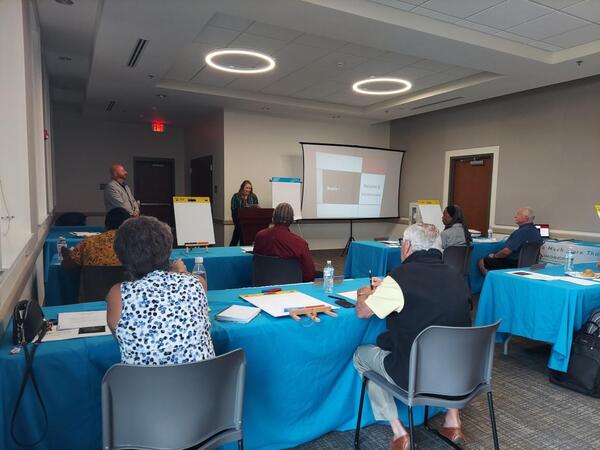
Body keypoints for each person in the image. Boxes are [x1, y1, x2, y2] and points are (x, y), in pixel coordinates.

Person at [353, 223, 471, 450]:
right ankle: (452, 420)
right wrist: (387, 287)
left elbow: (362, 312)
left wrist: (364, 292)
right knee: (448, 337)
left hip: (416, 375)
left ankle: (399, 432)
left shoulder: (400, 277)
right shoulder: (457, 276)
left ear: (407, 246)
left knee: (361, 355)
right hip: (459, 373)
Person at [106, 216, 214, 365]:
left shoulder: (118, 294)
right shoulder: (198, 283)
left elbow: (122, 337)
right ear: (168, 248)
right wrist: (180, 273)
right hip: (205, 385)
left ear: (120, 255)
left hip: (143, 387)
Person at [253, 202, 316, 282]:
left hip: (262, 282)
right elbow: (309, 274)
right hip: (292, 286)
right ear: (291, 220)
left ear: (273, 218)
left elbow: (256, 261)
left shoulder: (260, 236)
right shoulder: (300, 243)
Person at [478, 207, 542, 276]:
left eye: (518, 214)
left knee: (482, 261)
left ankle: (491, 284)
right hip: (529, 264)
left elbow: (506, 252)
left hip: (513, 264)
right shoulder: (536, 231)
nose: (515, 216)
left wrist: (494, 256)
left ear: (526, 218)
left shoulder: (521, 232)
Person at [61, 207, 131, 268]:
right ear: (129, 226)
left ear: (106, 225)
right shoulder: (135, 244)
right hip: (127, 282)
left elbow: (67, 265)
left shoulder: (89, 242)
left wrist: (68, 254)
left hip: (93, 283)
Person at [229, 180, 259, 246]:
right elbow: (233, 210)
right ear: (242, 187)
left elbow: (257, 209)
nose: (248, 190)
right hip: (239, 223)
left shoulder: (253, 197)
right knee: (236, 240)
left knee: (240, 240)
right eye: (247, 188)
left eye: (250, 188)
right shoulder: (236, 196)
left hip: (250, 224)